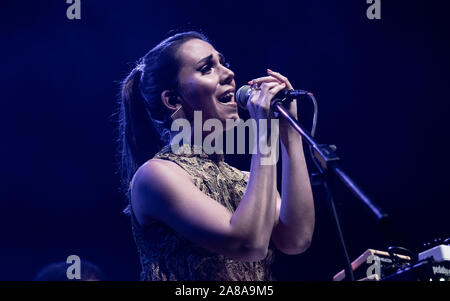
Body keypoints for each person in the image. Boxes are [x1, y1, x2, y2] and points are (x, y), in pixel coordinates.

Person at [117, 31, 315, 281]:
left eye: (224, 63)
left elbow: (296, 239)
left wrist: (290, 132)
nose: (229, 74)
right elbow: (248, 244)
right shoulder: (155, 176)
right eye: (207, 68)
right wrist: (263, 133)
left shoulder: (244, 180)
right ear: (172, 99)